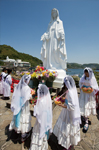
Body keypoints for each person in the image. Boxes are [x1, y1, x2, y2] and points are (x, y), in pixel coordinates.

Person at [53, 75, 81, 150]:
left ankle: (67, 144)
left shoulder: (70, 92)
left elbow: (72, 107)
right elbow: (68, 101)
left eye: (65, 82)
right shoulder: (71, 90)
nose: (64, 84)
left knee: (67, 127)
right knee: (68, 127)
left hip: (69, 113)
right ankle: (69, 142)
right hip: (67, 111)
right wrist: (62, 100)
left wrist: (62, 105)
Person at [9, 75, 33, 142]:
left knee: (19, 117)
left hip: (18, 104)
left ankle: (18, 129)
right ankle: (23, 135)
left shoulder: (18, 86)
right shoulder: (27, 88)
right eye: (29, 80)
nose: (29, 82)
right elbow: (27, 98)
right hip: (24, 105)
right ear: (26, 80)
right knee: (24, 118)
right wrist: (31, 94)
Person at [29, 84, 52, 150]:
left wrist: (34, 106)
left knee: (38, 132)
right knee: (44, 130)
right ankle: (43, 145)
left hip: (40, 120)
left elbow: (37, 113)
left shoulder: (40, 100)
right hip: (45, 118)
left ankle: (37, 146)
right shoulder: (47, 99)